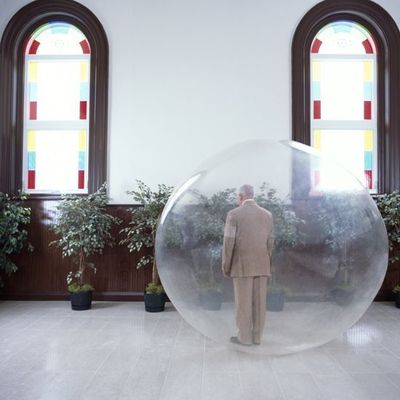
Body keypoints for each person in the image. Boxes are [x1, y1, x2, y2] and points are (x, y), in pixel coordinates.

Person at [222, 184, 274, 346]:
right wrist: (266, 259)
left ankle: (244, 338)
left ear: (240, 197)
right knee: (260, 303)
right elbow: (270, 241)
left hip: (241, 265)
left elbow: (228, 243)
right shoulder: (267, 215)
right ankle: (257, 337)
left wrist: (226, 265)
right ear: (253, 195)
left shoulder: (234, 215)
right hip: (262, 264)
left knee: (243, 303)